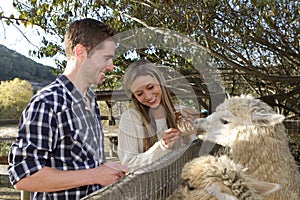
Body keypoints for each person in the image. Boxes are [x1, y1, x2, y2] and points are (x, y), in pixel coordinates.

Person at [7, 18, 128, 199]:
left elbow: (78, 164)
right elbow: (24, 176)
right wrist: (95, 175)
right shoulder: (47, 103)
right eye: (106, 58)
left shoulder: (91, 101)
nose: (111, 66)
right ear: (81, 52)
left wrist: (105, 169)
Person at [117, 59, 198, 171]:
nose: (149, 96)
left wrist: (192, 130)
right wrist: (161, 147)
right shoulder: (130, 118)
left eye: (150, 87)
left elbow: (197, 151)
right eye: (139, 94)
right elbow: (128, 164)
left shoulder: (181, 112)